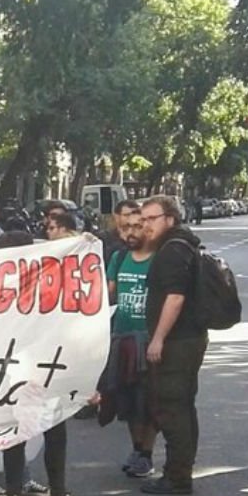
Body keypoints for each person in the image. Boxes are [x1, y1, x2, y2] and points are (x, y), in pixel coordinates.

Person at [0, 229, 92, 496]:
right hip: (47, 366)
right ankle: (58, 495)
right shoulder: (46, 282)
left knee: (16, 433)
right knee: (54, 431)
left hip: (12, 368)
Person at [138, 195, 207, 495]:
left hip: (177, 343)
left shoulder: (172, 250)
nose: (145, 226)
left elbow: (175, 297)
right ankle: (181, 470)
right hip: (188, 339)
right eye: (143, 220)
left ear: (170, 218)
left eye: (151, 219)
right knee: (183, 406)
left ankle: (177, 476)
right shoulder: (184, 245)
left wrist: (158, 338)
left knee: (172, 407)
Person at [100, 205, 158, 480]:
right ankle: (137, 449)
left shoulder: (159, 259)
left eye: (137, 227)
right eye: (127, 227)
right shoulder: (120, 257)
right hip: (122, 340)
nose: (131, 232)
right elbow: (107, 295)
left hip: (148, 341)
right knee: (129, 403)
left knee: (149, 403)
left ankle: (147, 454)